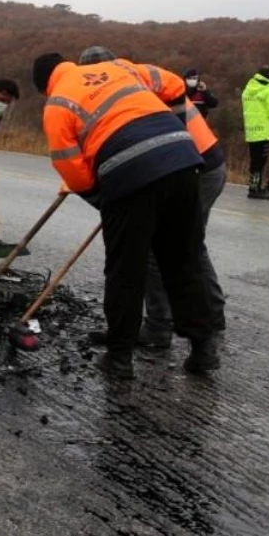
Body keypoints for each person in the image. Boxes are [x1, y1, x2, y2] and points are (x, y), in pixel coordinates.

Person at [33, 52, 217, 379]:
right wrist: (175, 126)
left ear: (44, 85)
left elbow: (71, 168)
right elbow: (175, 84)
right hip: (183, 160)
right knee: (183, 261)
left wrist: (105, 199)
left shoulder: (57, 104)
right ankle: (204, 349)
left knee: (125, 271)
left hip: (129, 174)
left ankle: (119, 360)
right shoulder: (119, 67)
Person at [78, 48, 227, 350]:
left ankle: (161, 327)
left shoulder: (123, 91)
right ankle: (210, 319)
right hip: (201, 161)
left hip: (187, 166)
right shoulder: (137, 79)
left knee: (161, 249)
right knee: (189, 245)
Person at [241, 65, 269, 199]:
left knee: (255, 161)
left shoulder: (249, 88)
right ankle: (255, 189)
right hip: (264, 130)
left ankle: (254, 186)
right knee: (260, 161)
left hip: (252, 129)